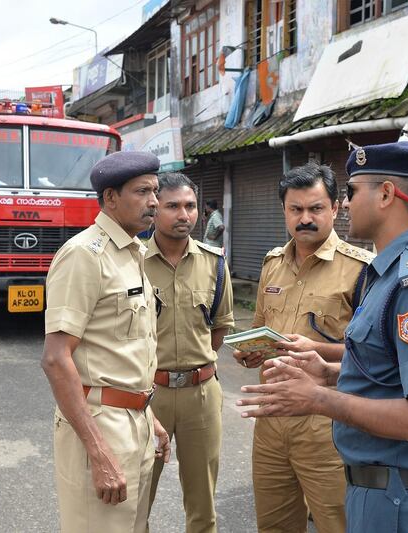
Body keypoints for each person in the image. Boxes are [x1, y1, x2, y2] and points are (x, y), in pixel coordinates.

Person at [237, 142, 408, 532]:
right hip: (378, 486)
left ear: (385, 194)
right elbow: (386, 367)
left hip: (401, 496)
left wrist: (318, 397)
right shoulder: (392, 273)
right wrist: (330, 372)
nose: (345, 204)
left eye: (351, 192)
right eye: (295, 209)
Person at [233, 161, 373, 533]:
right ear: (284, 211)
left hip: (328, 424)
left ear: (336, 208)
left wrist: (318, 349)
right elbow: (262, 329)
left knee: (337, 522)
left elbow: (375, 355)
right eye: (296, 209)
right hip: (271, 418)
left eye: (316, 208)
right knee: (275, 524)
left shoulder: (362, 271)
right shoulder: (272, 264)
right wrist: (251, 351)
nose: (305, 218)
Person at [41, 151, 172, 533]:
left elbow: (120, 353)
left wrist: (149, 416)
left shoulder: (133, 252)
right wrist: (98, 453)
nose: (153, 202)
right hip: (101, 428)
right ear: (110, 197)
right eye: (142, 191)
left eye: (155, 191)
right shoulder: (84, 255)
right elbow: (55, 358)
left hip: (136, 421)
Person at [144, 172, 234, 533]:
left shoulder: (215, 263)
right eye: (173, 206)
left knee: (203, 505)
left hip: (202, 395)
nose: (184, 215)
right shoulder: (133, 261)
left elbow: (220, 328)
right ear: (155, 209)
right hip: (149, 397)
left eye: (190, 206)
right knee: (137, 501)